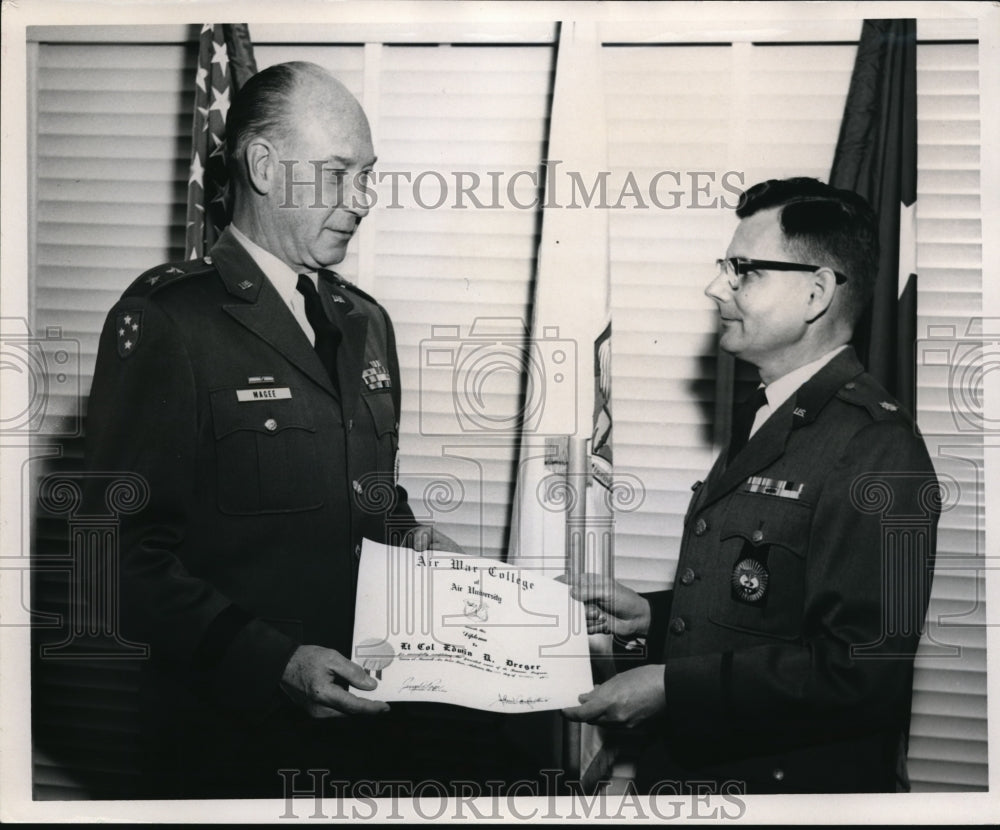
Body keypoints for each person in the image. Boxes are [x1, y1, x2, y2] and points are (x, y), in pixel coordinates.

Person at [85, 61, 460, 798]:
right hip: (228, 744)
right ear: (262, 165)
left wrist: (414, 541)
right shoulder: (171, 320)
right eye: (337, 174)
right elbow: (119, 561)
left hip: (369, 727)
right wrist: (274, 664)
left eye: (369, 176)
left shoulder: (364, 321)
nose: (362, 201)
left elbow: (367, 493)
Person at [562, 177, 940, 794]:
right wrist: (649, 618)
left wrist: (671, 688)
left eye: (744, 270)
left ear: (816, 293)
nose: (717, 288)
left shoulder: (878, 447)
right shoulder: (771, 410)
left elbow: (864, 673)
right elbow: (765, 601)